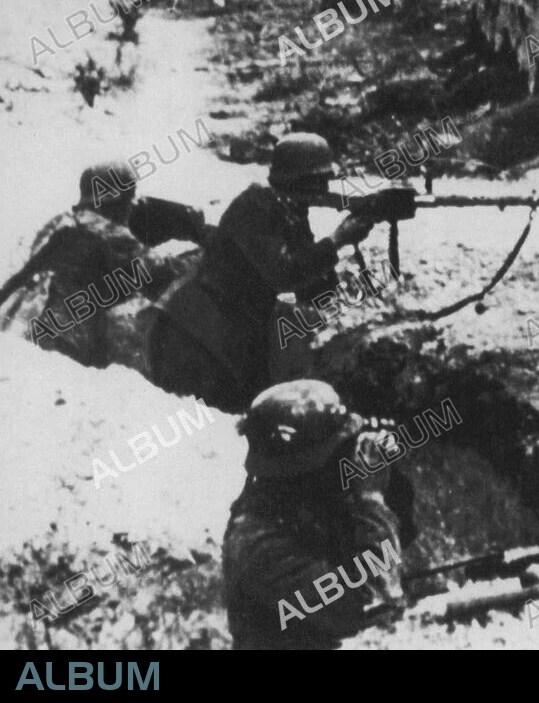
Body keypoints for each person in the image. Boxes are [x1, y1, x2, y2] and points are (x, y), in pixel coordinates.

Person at [148, 133, 374, 411]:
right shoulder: (254, 206)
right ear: (298, 181)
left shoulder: (288, 211)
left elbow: (312, 289)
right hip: (195, 335)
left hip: (231, 336)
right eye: (318, 182)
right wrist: (336, 239)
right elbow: (284, 274)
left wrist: (347, 238)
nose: (323, 190)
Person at [223, 380, 413, 650]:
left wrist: (388, 480)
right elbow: (374, 603)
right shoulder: (259, 547)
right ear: (306, 466)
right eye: (339, 450)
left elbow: (398, 551)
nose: (348, 456)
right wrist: (371, 498)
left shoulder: (303, 503)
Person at [0, 161, 192, 370]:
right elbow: (163, 274)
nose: (133, 204)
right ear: (115, 201)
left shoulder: (60, 223)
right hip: (76, 349)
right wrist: (195, 256)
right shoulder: (113, 235)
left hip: (29, 331)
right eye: (129, 196)